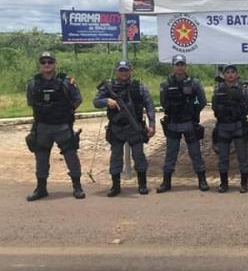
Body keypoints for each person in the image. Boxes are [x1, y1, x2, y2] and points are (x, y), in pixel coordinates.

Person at [25, 51, 85, 201]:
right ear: (40, 64)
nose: (47, 65)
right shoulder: (33, 83)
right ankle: (41, 188)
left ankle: (77, 186)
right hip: (42, 126)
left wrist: (66, 112)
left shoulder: (66, 81)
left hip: (62, 126)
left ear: (55, 64)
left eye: (50, 62)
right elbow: (31, 102)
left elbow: (78, 99)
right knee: (41, 158)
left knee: (71, 156)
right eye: (43, 62)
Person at [94, 60, 156, 197]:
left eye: (126, 70)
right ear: (116, 71)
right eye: (121, 70)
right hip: (117, 128)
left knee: (139, 156)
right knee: (116, 156)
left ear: (130, 71)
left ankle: (142, 184)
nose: (123, 73)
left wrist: (152, 124)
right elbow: (96, 102)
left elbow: (149, 105)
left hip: (135, 127)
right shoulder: (108, 86)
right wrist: (107, 101)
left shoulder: (139, 86)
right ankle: (115, 186)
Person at [157, 54, 208, 193]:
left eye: (182, 64)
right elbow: (163, 102)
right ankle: (166, 182)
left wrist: (193, 112)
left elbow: (202, 101)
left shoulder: (194, 83)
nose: (179, 67)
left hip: (189, 122)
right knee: (171, 153)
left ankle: (202, 180)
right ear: (173, 66)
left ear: (185, 66)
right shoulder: (165, 83)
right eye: (177, 64)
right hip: (173, 122)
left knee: (195, 152)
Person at [212, 64, 248, 193]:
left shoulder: (243, 90)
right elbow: (214, 106)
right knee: (223, 157)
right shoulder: (218, 90)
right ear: (224, 75)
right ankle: (224, 183)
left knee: (242, 156)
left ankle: (244, 183)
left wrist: (239, 114)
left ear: (237, 74)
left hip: (238, 126)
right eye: (227, 72)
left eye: (233, 72)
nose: (230, 75)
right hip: (223, 126)